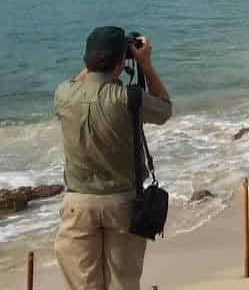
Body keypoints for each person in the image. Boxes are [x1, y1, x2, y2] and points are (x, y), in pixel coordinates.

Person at [54, 28, 173, 290]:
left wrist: (99, 63)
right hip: (123, 204)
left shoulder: (64, 94)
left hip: (77, 205)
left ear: (87, 60)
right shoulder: (128, 98)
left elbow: (78, 82)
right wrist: (146, 65)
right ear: (121, 62)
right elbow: (164, 109)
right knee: (124, 284)